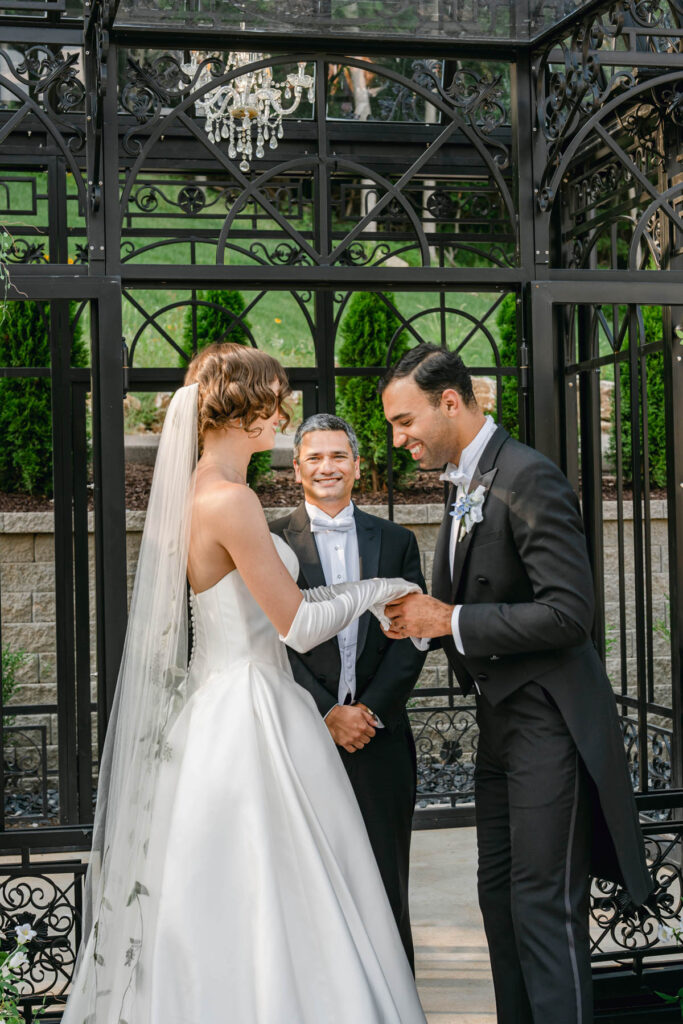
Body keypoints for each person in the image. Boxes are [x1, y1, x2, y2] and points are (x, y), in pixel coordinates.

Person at [61, 343, 426, 1024]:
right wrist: (382, 588)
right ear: (245, 412)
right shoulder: (229, 499)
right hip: (251, 710)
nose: (283, 415)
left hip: (223, 702)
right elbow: (298, 624)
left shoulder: (204, 490)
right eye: (276, 402)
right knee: (269, 885)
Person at [379, 343, 653, 1024]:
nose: (399, 438)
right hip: (499, 725)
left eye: (405, 421)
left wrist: (449, 619)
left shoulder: (527, 477)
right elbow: (478, 596)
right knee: (499, 899)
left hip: (549, 723)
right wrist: (423, 622)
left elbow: (569, 613)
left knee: (541, 904)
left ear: (450, 401)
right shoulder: (466, 480)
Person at [271, 413, 427, 969]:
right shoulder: (269, 542)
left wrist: (369, 711)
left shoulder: (398, 541)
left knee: (385, 876)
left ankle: (394, 990)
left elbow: (414, 635)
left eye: (339, 456)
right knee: (306, 875)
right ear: (296, 469)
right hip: (301, 736)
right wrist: (326, 713)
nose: (327, 467)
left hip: (379, 737)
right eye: (314, 457)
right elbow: (268, 642)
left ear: (358, 467)